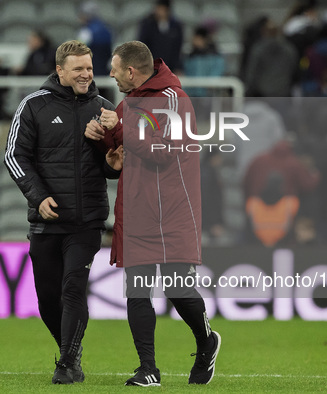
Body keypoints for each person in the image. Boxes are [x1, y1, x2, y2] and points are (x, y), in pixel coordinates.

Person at [84, 41, 220, 386]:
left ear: (131, 70)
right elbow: (122, 155)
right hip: (137, 210)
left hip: (172, 211)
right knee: (137, 289)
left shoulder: (175, 100)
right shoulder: (127, 104)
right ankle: (148, 369)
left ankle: (206, 342)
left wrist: (118, 129)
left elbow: (162, 151)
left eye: (114, 68)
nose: (110, 74)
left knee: (178, 290)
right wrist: (104, 144)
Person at [4, 40, 120, 385]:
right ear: (60, 71)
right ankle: (71, 351)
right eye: (78, 69)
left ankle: (67, 361)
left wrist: (113, 162)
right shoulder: (33, 105)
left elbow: (111, 165)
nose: (86, 74)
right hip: (45, 220)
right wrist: (38, 197)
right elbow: (14, 156)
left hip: (86, 220)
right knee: (47, 300)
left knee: (73, 289)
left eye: (89, 67)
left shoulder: (104, 109)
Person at [137, 0, 184, 73]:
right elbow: (142, 46)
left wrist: (177, 67)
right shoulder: (147, 25)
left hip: (170, 67)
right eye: (157, 9)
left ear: (167, 10)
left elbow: (177, 49)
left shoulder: (176, 26)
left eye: (161, 9)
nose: (158, 12)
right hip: (151, 67)